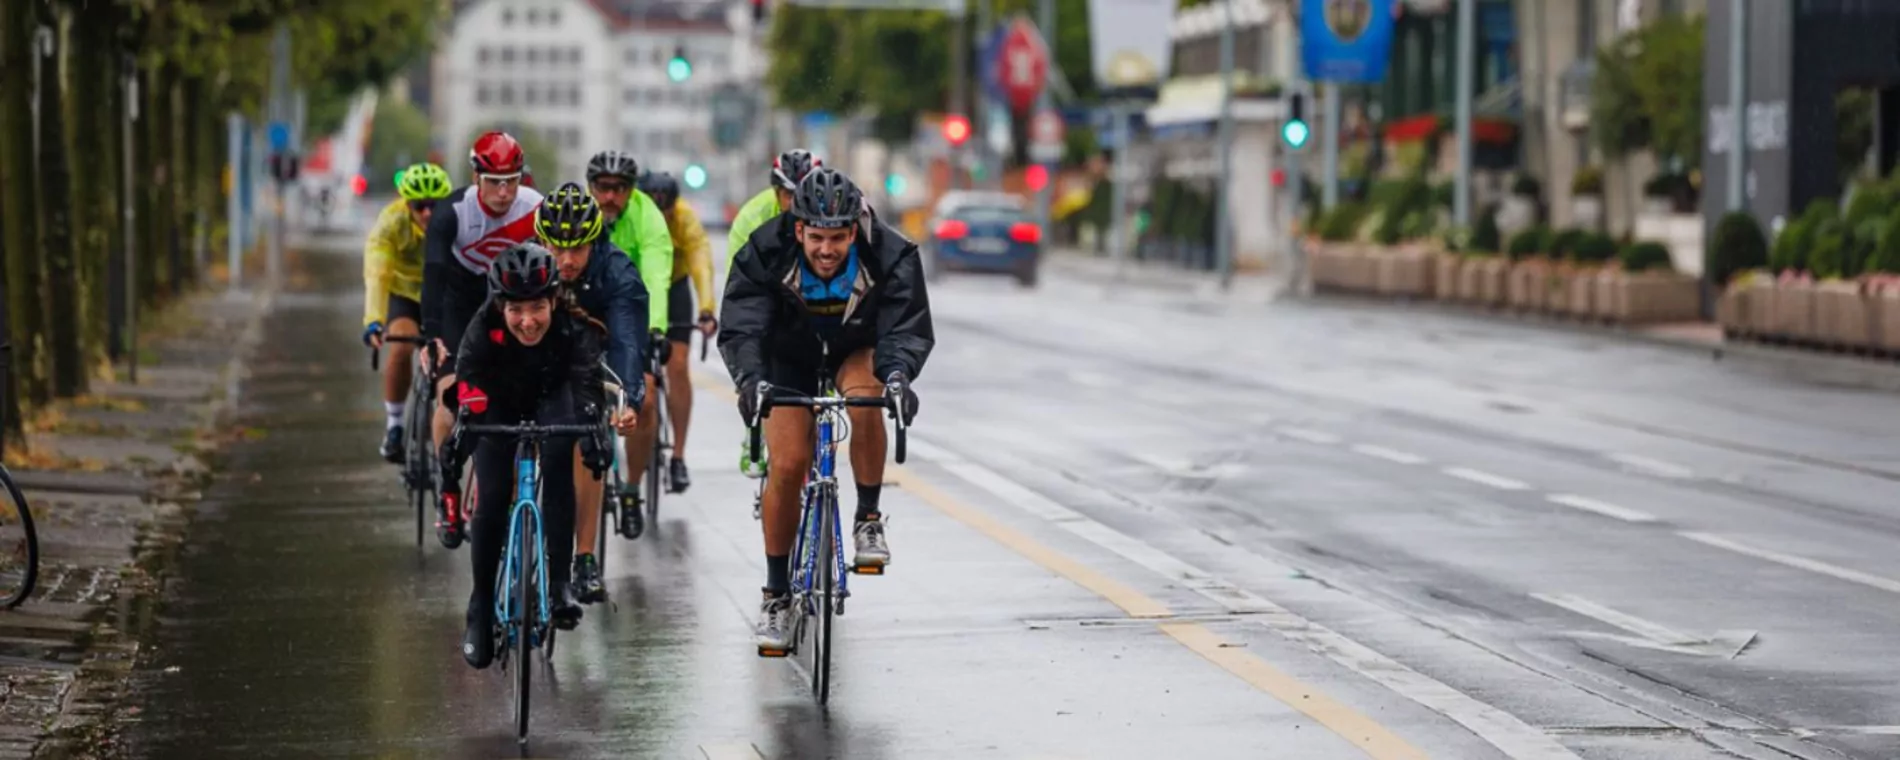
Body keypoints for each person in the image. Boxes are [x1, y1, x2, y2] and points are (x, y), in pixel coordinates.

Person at [719, 168, 933, 653]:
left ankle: (868, 517)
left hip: (854, 349)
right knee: (788, 464)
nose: (826, 250)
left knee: (867, 398)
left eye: (837, 238)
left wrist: (898, 377)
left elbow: (905, 327)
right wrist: (750, 380)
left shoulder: (891, 253)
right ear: (798, 230)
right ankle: (776, 595)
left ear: (854, 231)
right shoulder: (765, 249)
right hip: (788, 354)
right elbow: (743, 324)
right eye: (816, 238)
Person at [440, 242, 614, 669]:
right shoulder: (482, 329)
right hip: (497, 403)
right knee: (493, 493)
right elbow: (468, 390)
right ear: (500, 305)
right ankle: (481, 603)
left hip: (551, 399)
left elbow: (587, 389)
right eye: (516, 310)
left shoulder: (573, 328)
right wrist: (461, 443)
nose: (528, 321)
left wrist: (593, 438)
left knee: (558, 463)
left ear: (553, 300)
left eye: (537, 307)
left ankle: (559, 585)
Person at [420, 131, 546, 547]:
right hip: (460, 304)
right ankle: (449, 488)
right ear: (476, 176)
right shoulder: (453, 211)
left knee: (516, 402)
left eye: (512, 181)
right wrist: (431, 335)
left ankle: (499, 498)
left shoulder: (536, 207)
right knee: (453, 396)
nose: (504, 192)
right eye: (495, 182)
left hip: (508, 306)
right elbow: (433, 275)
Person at [534, 182, 647, 600]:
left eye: (578, 249)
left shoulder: (616, 271)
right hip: (535, 358)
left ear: (595, 241)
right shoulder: (524, 265)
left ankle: (584, 557)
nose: (566, 260)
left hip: (589, 363)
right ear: (541, 241)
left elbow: (627, 342)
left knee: (588, 439)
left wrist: (628, 398)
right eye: (557, 249)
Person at [723, 149, 822, 479]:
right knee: (756, 356)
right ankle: (753, 429)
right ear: (776, 192)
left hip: (810, 306)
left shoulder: (829, 216)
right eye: (787, 195)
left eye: (802, 194)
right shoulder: (752, 217)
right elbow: (739, 287)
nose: (795, 204)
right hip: (766, 298)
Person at [585, 150, 675, 507]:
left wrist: (656, 328)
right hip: (587, 312)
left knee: (646, 396)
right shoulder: (579, 212)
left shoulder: (647, 217)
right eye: (603, 187)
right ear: (590, 186)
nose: (610, 196)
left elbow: (656, 274)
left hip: (632, 312)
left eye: (620, 188)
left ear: (632, 189)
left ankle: (631, 487)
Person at [361, 162, 452, 462]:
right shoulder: (391, 224)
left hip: (442, 293)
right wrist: (374, 321)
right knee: (401, 345)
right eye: (419, 206)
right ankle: (395, 425)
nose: (427, 213)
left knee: (452, 353)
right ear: (406, 204)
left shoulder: (455, 220)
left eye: (434, 205)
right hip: (403, 293)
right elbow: (377, 275)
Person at [636, 170, 715, 492]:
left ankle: (678, 456)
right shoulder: (632, 215)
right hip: (640, 287)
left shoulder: (685, 218)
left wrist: (707, 308)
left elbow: (700, 261)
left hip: (675, 287)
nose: (662, 219)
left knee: (678, 366)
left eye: (666, 212)